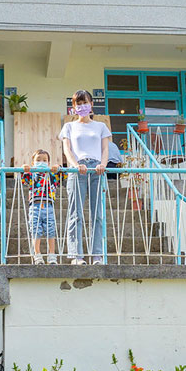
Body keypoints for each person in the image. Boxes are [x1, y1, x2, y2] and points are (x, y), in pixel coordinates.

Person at [59, 90, 112, 264]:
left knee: (97, 213)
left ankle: (97, 255)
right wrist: (75, 165)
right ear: (73, 107)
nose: (82, 107)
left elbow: (105, 149)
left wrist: (102, 164)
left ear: (91, 104)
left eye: (85, 103)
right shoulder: (69, 126)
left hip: (97, 169)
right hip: (77, 169)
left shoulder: (101, 127)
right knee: (76, 214)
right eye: (78, 104)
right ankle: (76, 255)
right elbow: (67, 150)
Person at [19, 149, 62, 264]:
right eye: (38, 160)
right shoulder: (32, 174)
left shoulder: (51, 174)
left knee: (51, 230)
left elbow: (62, 175)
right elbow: (24, 178)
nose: (41, 162)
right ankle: (37, 254)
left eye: (44, 160)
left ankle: (52, 254)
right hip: (35, 206)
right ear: (33, 163)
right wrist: (24, 167)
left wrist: (58, 166)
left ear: (48, 163)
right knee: (35, 230)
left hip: (48, 205)